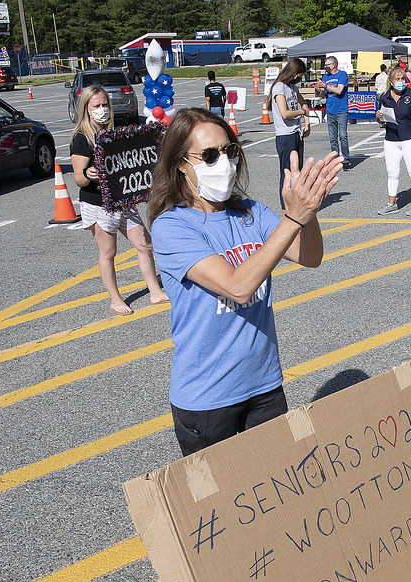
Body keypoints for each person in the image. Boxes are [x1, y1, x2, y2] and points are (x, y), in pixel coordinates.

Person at [147, 108, 343, 455]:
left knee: (277, 495)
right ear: (180, 164)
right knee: (218, 506)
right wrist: (293, 216)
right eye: (209, 155)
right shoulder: (172, 226)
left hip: (264, 385)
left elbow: (310, 257)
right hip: (207, 397)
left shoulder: (250, 212)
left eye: (229, 151)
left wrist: (307, 216)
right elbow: (238, 286)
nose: (223, 162)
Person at [69, 85, 168, 316]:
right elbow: (78, 179)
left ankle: (155, 291)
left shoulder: (115, 133)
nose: (102, 109)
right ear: (86, 109)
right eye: (96, 106)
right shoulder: (82, 139)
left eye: (105, 105)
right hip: (98, 203)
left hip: (122, 199)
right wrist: (88, 174)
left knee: (145, 245)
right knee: (108, 252)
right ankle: (115, 299)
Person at [376, 67, 411, 216]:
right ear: (391, 81)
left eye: (403, 79)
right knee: (392, 173)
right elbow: (381, 121)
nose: (401, 82)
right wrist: (379, 116)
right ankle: (391, 203)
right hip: (391, 139)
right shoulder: (384, 97)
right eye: (398, 79)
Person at [268, 58, 311, 209]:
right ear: (293, 73)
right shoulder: (279, 88)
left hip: (296, 133)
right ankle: (285, 204)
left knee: (297, 171)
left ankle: (296, 201)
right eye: (300, 75)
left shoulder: (292, 87)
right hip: (285, 136)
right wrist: (302, 112)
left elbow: (303, 102)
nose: (300, 78)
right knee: (287, 172)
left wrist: (307, 122)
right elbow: (285, 113)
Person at [317, 55, 350, 170]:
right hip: (330, 110)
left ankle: (345, 159)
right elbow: (323, 94)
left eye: (327, 65)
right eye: (325, 65)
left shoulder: (342, 75)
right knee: (332, 137)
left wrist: (325, 85)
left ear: (333, 65)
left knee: (343, 135)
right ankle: (335, 159)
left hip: (341, 110)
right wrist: (319, 89)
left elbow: (339, 90)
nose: (326, 67)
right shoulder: (325, 77)